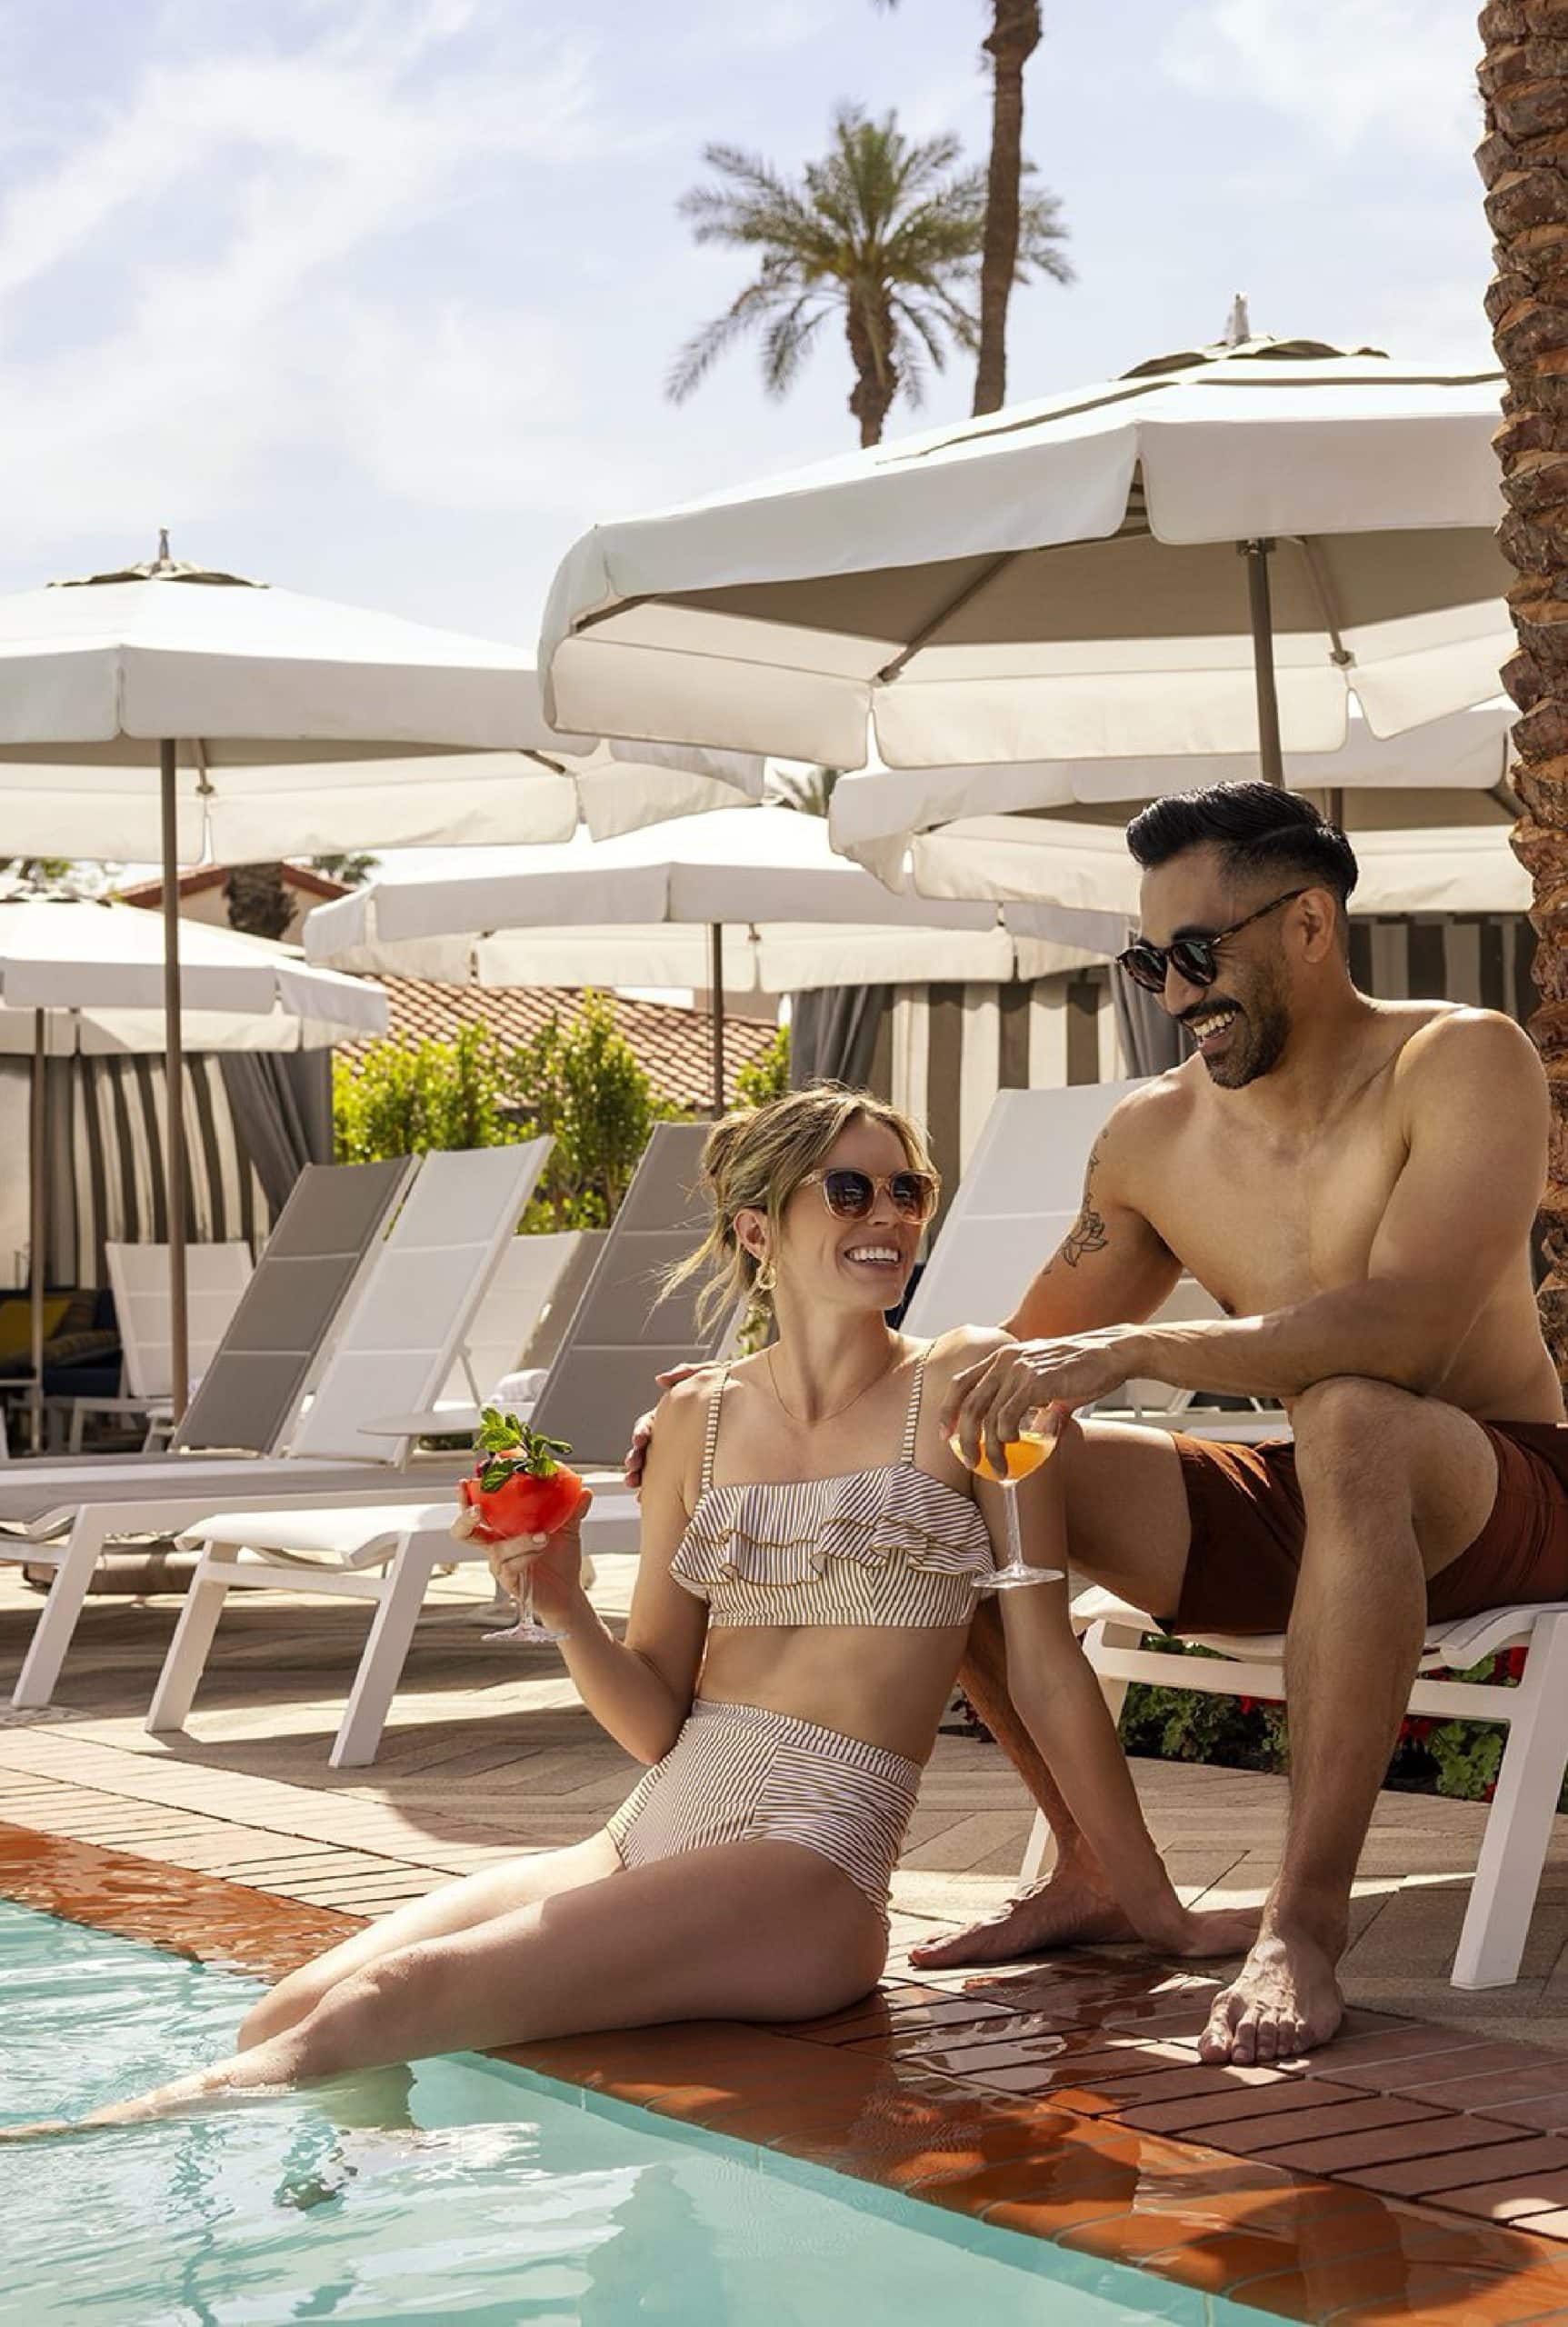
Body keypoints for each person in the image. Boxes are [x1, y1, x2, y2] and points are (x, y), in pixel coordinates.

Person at [11, 1088, 1253, 2138]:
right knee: (287, 2015)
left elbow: (1040, 1666)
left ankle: (78, 2149)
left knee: (388, 2005)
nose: (889, 1219)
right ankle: (377, 2173)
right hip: (646, 1831)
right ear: (756, 1227)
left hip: (805, 1869)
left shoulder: (969, 1387)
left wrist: (1148, 1901)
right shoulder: (697, 1424)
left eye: (905, 1191)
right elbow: (659, 1719)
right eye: (850, 1192)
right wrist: (561, 1606)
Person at [922, 781, 1565, 2064]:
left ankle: (1302, 1926)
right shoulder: (1153, 1135)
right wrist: (759, 1398)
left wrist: (1146, 1345)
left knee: (1351, 1415)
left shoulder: (1458, 1059)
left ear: (1309, 927)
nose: (1171, 992)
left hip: (1503, 1490)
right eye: (1147, 960)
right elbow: (1023, 1357)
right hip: (1315, 1500)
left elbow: (1406, 1333)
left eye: (1198, 954)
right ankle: (1103, 1873)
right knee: (960, 1439)